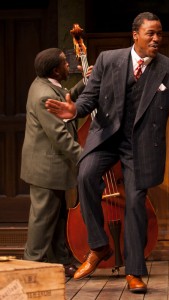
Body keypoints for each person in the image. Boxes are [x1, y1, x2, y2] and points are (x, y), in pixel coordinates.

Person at [45, 12, 169, 293]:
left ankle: (134, 271)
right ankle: (98, 246)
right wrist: (75, 109)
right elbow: (90, 96)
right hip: (107, 137)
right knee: (86, 175)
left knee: (135, 203)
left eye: (160, 33)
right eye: (151, 33)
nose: (157, 39)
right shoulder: (109, 60)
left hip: (141, 146)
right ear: (135, 35)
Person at [20, 48, 92, 277]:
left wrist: (84, 84)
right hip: (46, 167)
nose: (68, 65)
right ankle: (32, 265)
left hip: (54, 166)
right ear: (55, 70)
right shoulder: (44, 95)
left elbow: (65, 97)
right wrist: (85, 158)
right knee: (43, 218)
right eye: (64, 63)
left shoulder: (47, 84)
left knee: (57, 215)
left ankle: (60, 261)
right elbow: (60, 136)